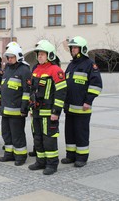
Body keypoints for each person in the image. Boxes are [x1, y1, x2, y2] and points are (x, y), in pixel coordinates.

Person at [61, 36, 103, 168]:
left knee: (81, 133)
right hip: (69, 108)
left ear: (82, 49)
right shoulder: (71, 64)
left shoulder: (90, 64)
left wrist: (88, 101)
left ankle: (82, 157)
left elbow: (96, 85)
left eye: (75, 47)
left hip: (82, 108)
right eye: (72, 47)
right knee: (70, 133)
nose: (72, 50)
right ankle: (71, 155)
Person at [28, 40, 67, 175]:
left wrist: (56, 112)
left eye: (43, 54)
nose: (39, 56)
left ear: (50, 55)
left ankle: (52, 164)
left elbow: (61, 93)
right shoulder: (36, 69)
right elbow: (32, 91)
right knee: (37, 137)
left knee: (49, 138)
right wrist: (30, 108)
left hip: (49, 112)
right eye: (39, 54)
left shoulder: (56, 70)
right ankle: (40, 161)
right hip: (36, 111)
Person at [0, 42, 31, 166]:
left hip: (17, 109)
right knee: (6, 133)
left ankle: (20, 156)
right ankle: (9, 154)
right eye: (8, 57)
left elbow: (26, 91)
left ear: (18, 57)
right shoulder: (7, 69)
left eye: (12, 57)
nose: (10, 59)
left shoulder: (24, 70)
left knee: (17, 134)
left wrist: (24, 107)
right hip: (5, 109)